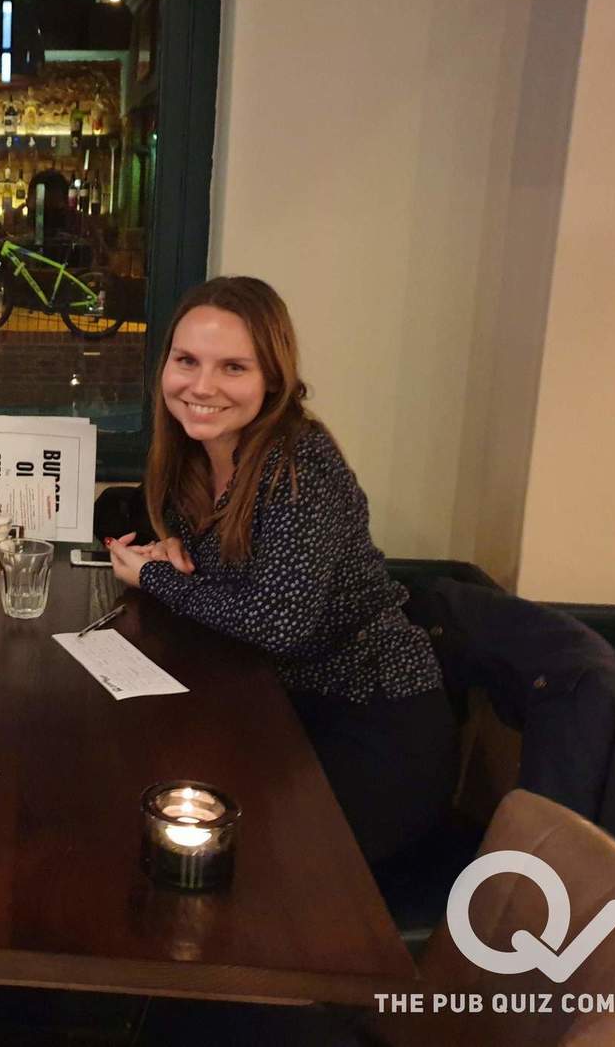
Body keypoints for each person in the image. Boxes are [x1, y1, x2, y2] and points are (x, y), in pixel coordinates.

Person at [107, 276, 456, 866]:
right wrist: (174, 558)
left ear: (272, 378)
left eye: (233, 367)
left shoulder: (299, 464)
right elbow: (245, 582)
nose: (202, 386)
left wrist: (157, 579)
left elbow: (279, 622)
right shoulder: (194, 457)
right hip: (279, 709)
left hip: (370, 721)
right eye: (186, 360)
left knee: (253, 875)